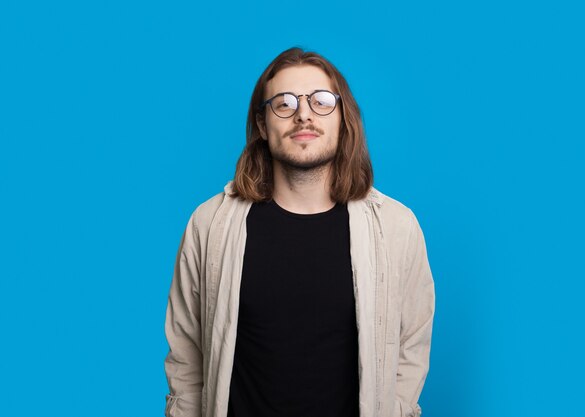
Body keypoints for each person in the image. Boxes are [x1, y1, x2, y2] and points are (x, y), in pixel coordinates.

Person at [164, 47, 435, 417]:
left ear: (343, 117)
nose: (303, 114)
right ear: (262, 125)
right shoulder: (209, 224)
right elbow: (186, 354)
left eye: (321, 101)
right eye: (284, 104)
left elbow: (410, 350)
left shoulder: (397, 228)